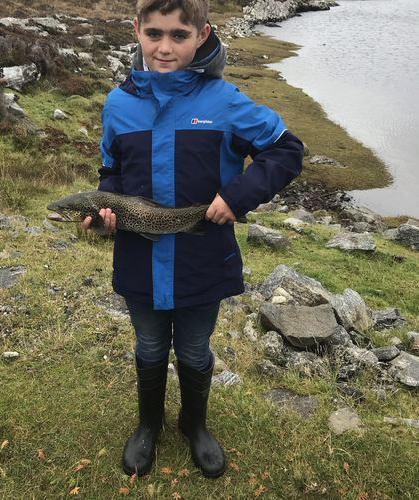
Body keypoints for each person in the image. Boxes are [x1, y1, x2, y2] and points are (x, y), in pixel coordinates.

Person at [83, 0, 303, 478]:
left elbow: (286, 150)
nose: (165, 47)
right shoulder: (118, 105)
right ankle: (149, 425)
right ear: (137, 30)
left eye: (179, 35)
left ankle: (194, 424)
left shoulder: (224, 102)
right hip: (139, 261)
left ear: (202, 35)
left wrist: (237, 196)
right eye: (154, 34)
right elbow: (111, 174)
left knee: (196, 350)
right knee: (148, 347)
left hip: (203, 258)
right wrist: (103, 217)